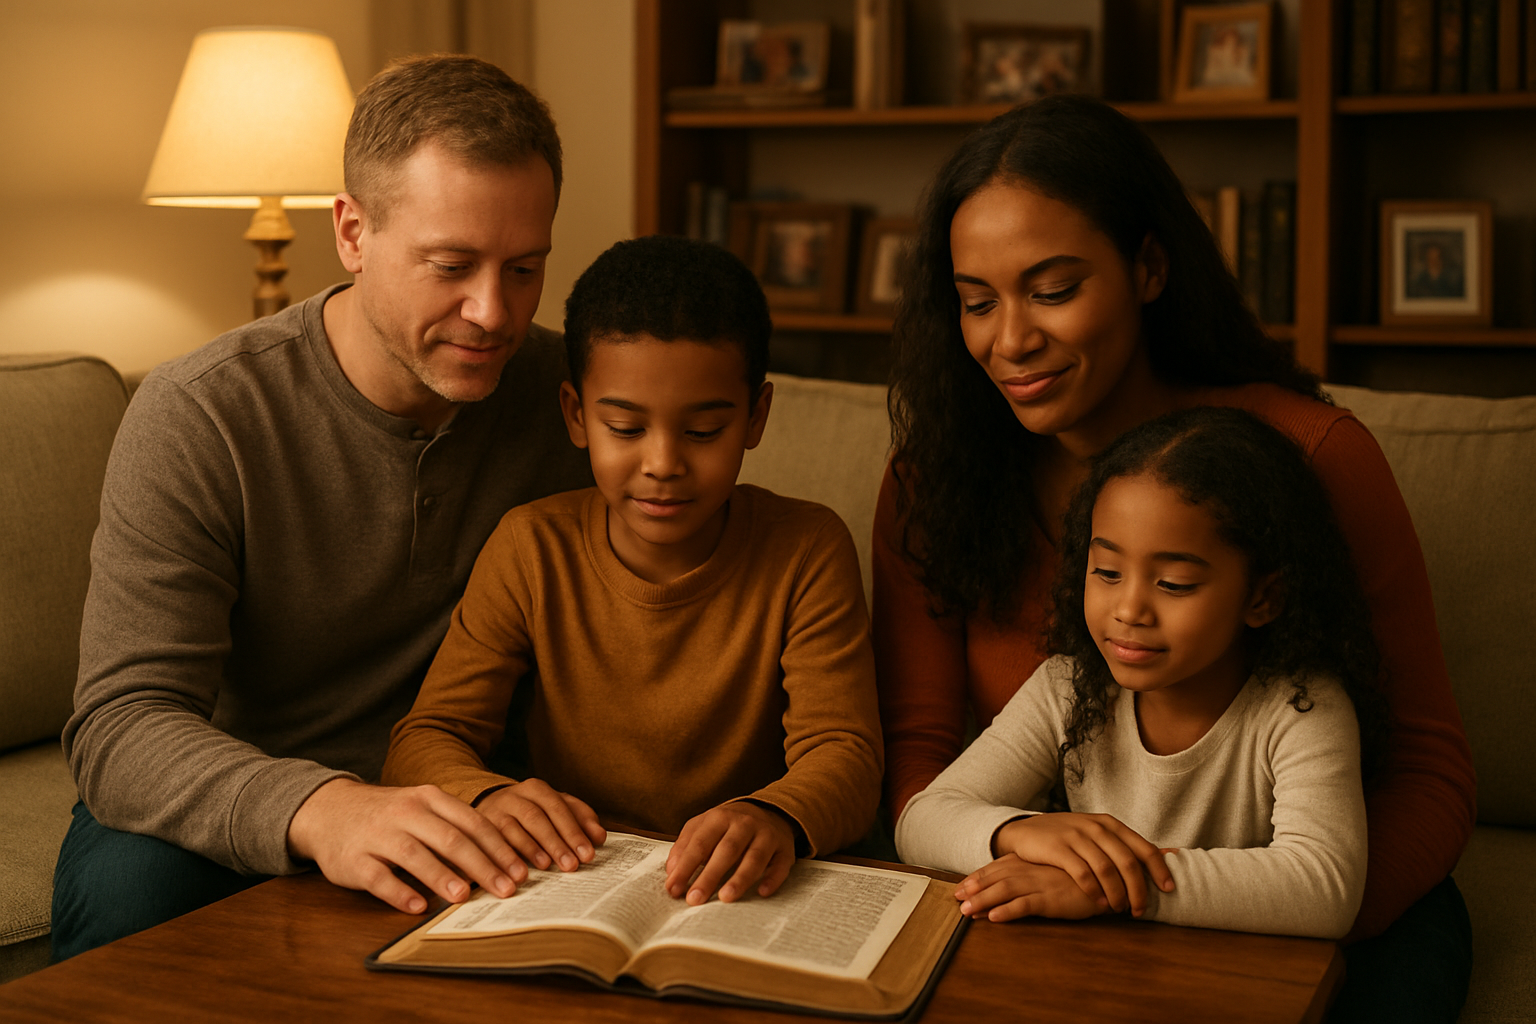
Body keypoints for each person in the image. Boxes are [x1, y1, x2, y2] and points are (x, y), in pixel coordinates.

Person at [875, 95, 1474, 1020]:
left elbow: (1429, 771)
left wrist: (1202, 913)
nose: (1010, 341)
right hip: (1045, 890)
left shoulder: (1304, 462)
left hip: (1317, 907)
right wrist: (1028, 848)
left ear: (1147, 267)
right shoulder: (936, 481)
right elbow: (919, 766)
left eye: (1054, 288)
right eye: (976, 302)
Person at [53, 55, 594, 958]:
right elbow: (122, 723)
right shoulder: (204, 412)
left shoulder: (571, 402)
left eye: (525, 268)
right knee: (128, 891)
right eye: (451, 265)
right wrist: (322, 807)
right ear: (351, 230)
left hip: (471, 795)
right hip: (238, 791)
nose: (493, 312)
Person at [382, 235, 883, 905]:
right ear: (576, 415)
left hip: (738, 891)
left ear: (756, 416)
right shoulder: (531, 548)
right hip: (573, 881)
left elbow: (846, 753)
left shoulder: (806, 549)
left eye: (703, 432)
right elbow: (424, 738)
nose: (664, 463)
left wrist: (777, 815)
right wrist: (492, 795)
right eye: (625, 427)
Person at [897, 407, 1386, 939]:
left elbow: (1324, 887)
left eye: (1174, 584)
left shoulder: (1301, 706)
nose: (1129, 609)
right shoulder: (1068, 687)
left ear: (1263, 596)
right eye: (1107, 572)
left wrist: (1109, 885)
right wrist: (1018, 832)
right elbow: (920, 821)